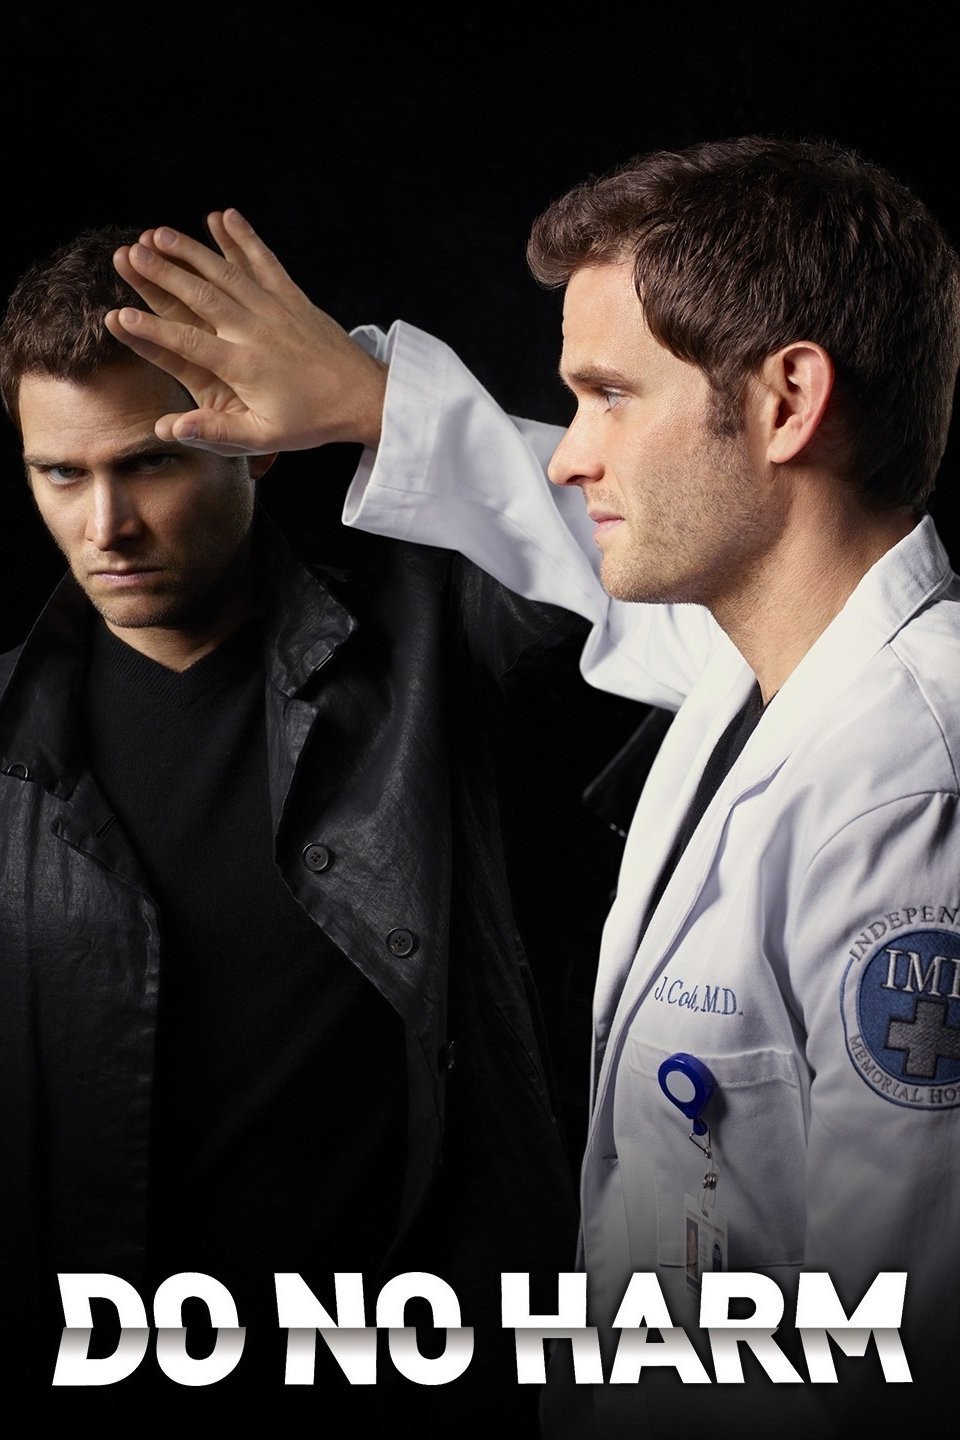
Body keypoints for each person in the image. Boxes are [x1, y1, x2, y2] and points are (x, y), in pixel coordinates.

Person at [104, 135, 960, 1437]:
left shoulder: (913, 788)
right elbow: (581, 559)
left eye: (610, 395)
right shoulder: (762, 668)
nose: (570, 456)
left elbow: (902, 1357)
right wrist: (372, 404)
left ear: (788, 402)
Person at [0, 222, 613, 1429]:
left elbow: (671, 571)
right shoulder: (12, 740)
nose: (106, 525)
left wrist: (378, 406)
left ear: (253, 443)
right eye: (61, 475)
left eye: (151, 462)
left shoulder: (435, 644)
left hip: (418, 1365)